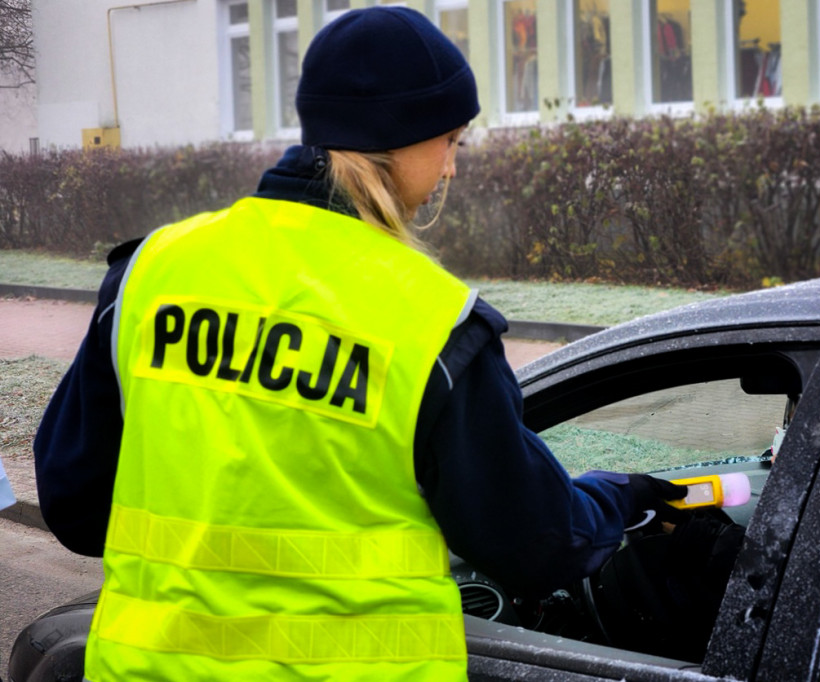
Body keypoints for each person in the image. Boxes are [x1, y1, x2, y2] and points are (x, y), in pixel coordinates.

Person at [33, 7, 688, 681]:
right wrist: (614, 497)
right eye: (451, 142)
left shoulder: (150, 274)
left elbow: (75, 506)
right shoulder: (432, 322)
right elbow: (538, 543)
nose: (451, 169)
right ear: (396, 140)